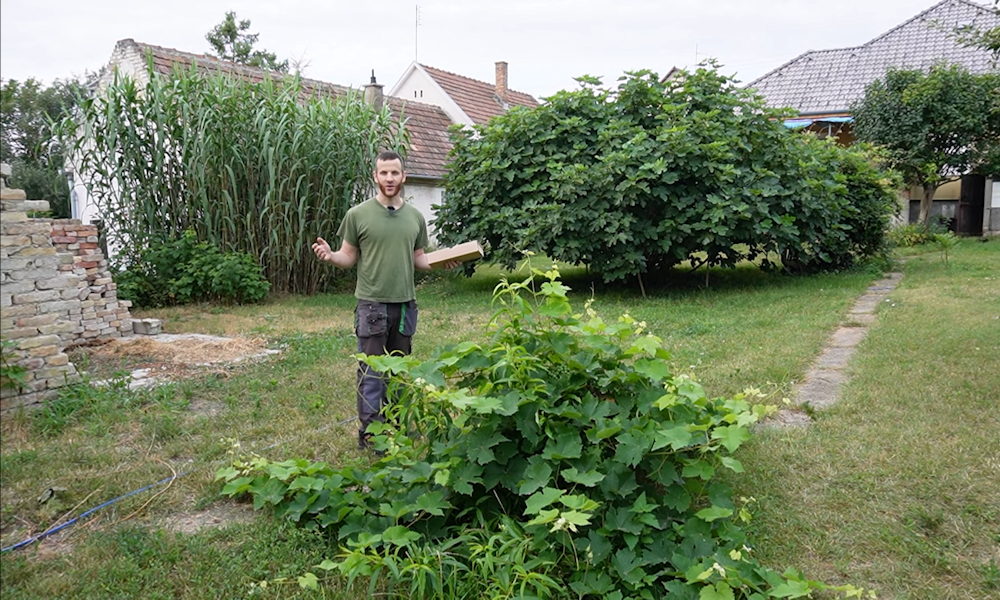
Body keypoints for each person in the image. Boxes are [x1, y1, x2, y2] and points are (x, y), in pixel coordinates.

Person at [311, 151, 454, 450]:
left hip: (405, 305)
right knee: (372, 372)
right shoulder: (358, 215)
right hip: (372, 305)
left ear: (404, 176)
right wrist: (329, 256)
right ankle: (372, 436)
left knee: (401, 371)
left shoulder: (415, 218)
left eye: (395, 173)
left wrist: (443, 261)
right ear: (375, 177)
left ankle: (398, 428)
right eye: (384, 173)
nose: (389, 178)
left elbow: (420, 259)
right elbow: (347, 257)